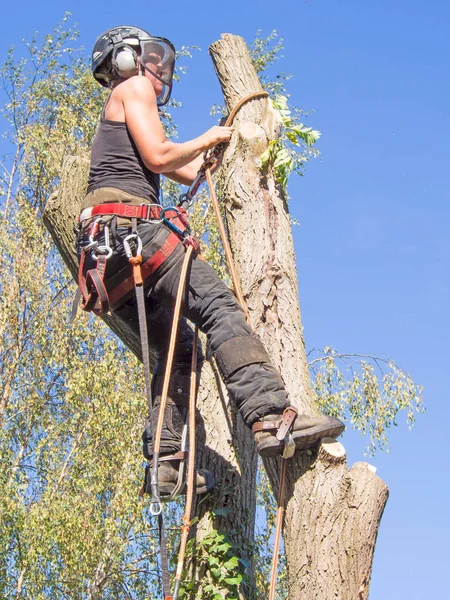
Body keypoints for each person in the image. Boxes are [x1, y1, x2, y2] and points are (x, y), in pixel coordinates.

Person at [77, 25, 345, 499]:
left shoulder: (126, 109)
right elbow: (162, 157)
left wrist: (219, 153)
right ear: (124, 61)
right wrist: (207, 136)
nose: (159, 70)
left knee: (180, 351)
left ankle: (163, 466)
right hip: (132, 234)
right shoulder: (132, 87)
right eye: (151, 57)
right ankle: (268, 415)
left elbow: (183, 169)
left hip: (107, 259)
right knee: (219, 307)